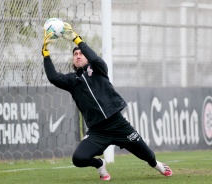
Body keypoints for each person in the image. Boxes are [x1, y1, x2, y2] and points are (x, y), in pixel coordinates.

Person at [42, 22, 173, 181]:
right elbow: (53, 77)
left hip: (118, 125)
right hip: (98, 132)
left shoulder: (98, 69)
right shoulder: (71, 80)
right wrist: (46, 54)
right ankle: (99, 164)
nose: (78, 55)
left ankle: (156, 164)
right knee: (78, 159)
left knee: (147, 155)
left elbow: (95, 58)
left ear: (86, 56)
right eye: (75, 54)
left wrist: (77, 40)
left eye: (81, 53)